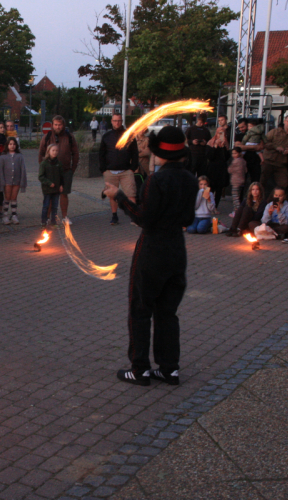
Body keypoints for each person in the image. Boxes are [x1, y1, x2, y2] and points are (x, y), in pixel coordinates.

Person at [103, 126, 198, 386]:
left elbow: (143, 218)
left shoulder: (156, 181)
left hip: (153, 249)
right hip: (176, 249)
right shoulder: (190, 180)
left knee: (141, 309)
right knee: (168, 312)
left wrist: (119, 197)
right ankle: (169, 369)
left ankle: (140, 369)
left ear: (159, 153)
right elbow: (188, 218)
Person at [99, 113, 139, 225]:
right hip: (110, 171)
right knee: (112, 195)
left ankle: (134, 216)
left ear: (122, 121)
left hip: (126, 171)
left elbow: (135, 153)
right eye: (115, 120)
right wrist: (103, 170)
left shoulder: (129, 135)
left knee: (131, 194)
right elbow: (101, 154)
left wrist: (133, 168)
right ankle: (114, 216)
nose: (117, 123)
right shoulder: (106, 136)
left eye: (119, 120)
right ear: (111, 121)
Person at [38, 115, 79, 224]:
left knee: (64, 194)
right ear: (52, 125)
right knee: (50, 195)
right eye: (55, 124)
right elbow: (41, 153)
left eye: (59, 125)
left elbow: (75, 153)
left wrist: (72, 169)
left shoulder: (69, 137)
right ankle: (47, 218)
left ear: (63, 125)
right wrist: (43, 169)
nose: (57, 127)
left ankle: (64, 217)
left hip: (65, 170)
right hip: (50, 172)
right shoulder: (47, 137)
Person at [260, 115, 288, 192]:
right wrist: (276, 147)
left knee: (283, 184)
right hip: (269, 161)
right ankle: (259, 199)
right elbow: (264, 143)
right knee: (262, 182)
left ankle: (275, 198)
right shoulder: (274, 132)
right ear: (284, 121)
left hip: (281, 163)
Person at [0, 137, 27, 225]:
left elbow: (23, 169)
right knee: (7, 197)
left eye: (14, 144)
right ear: (7, 145)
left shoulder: (20, 156)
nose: (12, 146)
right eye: (10, 144)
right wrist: (2, 181)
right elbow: (0, 170)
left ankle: (14, 215)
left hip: (16, 180)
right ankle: (5, 215)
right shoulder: (3, 157)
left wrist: (22, 180)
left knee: (14, 198)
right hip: (7, 181)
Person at [205, 115, 230, 208]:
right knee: (209, 187)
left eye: (222, 133)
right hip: (212, 168)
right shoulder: (211, 143)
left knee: (219, 188)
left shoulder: (226, 144)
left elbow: (226, 158)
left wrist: (224, 147)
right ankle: (205, 204)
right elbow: (210, 157)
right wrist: (215, 146)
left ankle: (215, 206)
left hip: (221, 168)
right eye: (219, 133)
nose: (220, 135)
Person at [38, 144, 63, 227]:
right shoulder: (44, 163)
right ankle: (43, 222)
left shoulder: (58, 163)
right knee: (46, 206)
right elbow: (41, 177)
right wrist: (49, 183)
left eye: (56, 151)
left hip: (56, 189)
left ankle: (53, 222)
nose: (55, 152)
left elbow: (61, 176)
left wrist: (61, 185)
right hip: (47, 189)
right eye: (53, 150)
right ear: (49, 151)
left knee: (55, 206)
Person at [228, 147, 247, 217]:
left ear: (239, 153)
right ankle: (235, 211)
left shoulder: (235, 161)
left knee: (235, 198)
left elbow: (230, 170)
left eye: (235, 153)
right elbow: (246, 170)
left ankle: (238, 212)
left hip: (235, 182)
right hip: (242, 181)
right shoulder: (243, 161)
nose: (233, 155)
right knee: (238, 197)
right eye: (232, 153)